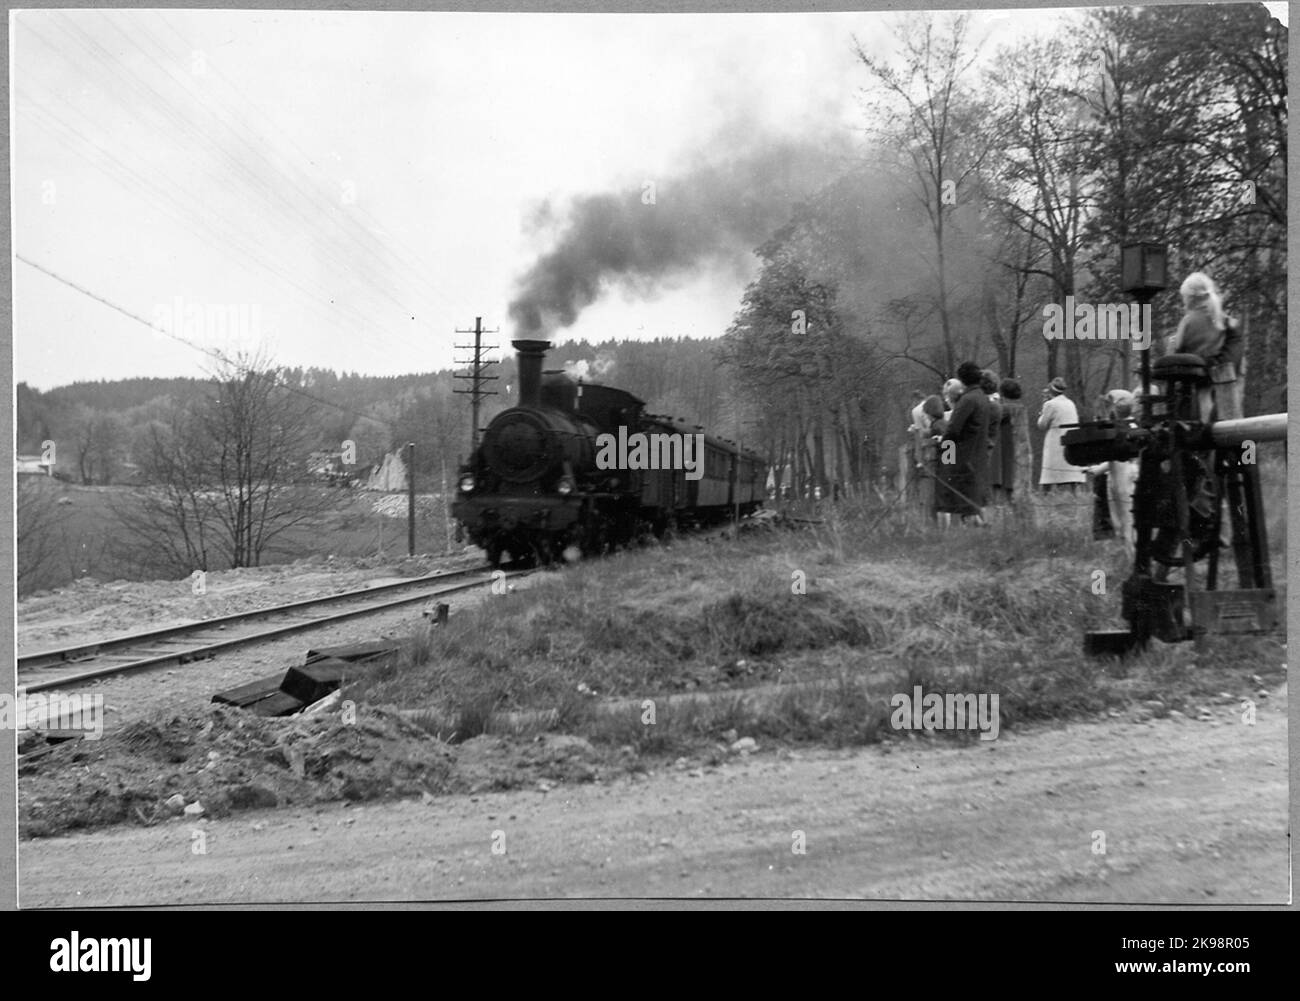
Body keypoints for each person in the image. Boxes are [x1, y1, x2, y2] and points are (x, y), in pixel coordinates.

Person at [1167, 271, 1244, 421]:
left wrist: (1172, 345)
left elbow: (1179, 346)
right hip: (1220, 375)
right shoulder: (1223, 320)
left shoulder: (1188, 321)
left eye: (1184, 297)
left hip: (1197, 373)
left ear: (1191, 298)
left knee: (1201, 403)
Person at [936, 362, 992, 526]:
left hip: (963, 456)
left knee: (961, 498)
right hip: (977, 453)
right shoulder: (981, 397)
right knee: (973, 498)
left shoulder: (967, 400)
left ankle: (975, 530)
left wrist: (943, 447)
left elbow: (953, 430)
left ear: (962, 379)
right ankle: (980, 528)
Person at [1037, 377, 1086, 492]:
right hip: (1071, 440)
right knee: (1070, 472)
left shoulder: (1050, 404)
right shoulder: (1070, 403)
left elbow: (1042, 425)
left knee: (1050, 471)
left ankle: (1045, 493)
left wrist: (1042, 410)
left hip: (1056, 442)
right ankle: (1075, 493)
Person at [996, 378, 1022, 504]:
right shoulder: (1020, 408)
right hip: (1019, 448)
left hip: (1005, 448)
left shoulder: (1004, 409)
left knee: (1006, 476)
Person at [980, 370, 1003, 504]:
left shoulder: (990, 406)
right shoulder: (994, 404)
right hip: (986, 444)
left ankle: (982, 514)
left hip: (980, 446)